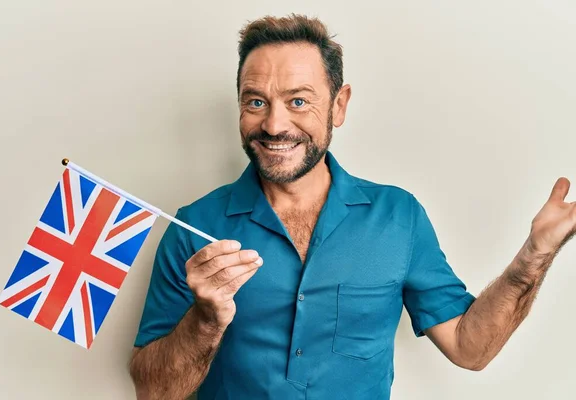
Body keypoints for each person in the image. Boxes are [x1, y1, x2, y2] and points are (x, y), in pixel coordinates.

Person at [128, 14, 576, 400]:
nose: (274, 124)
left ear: (338, 106)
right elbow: (154, 392)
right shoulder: (193, 227)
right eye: (256, 102)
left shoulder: (398, 217)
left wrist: (535, 254)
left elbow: (469, 348)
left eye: (298, 101)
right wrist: (206, 320)